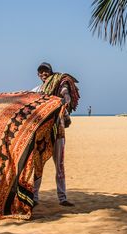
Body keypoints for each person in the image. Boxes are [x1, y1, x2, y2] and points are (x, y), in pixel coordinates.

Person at [32, 62, 80, 207]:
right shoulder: (35, 90)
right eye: (41, 72)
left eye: (46, 71)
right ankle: (34, 197)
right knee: (38, 164)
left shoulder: (59, 84)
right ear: (38, 75)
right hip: (42, 133)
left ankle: (62, 198)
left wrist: (66, 99)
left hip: (58, 131)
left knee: (59, 165)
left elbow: (65, 92)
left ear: (51, 72)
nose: (43, 74)